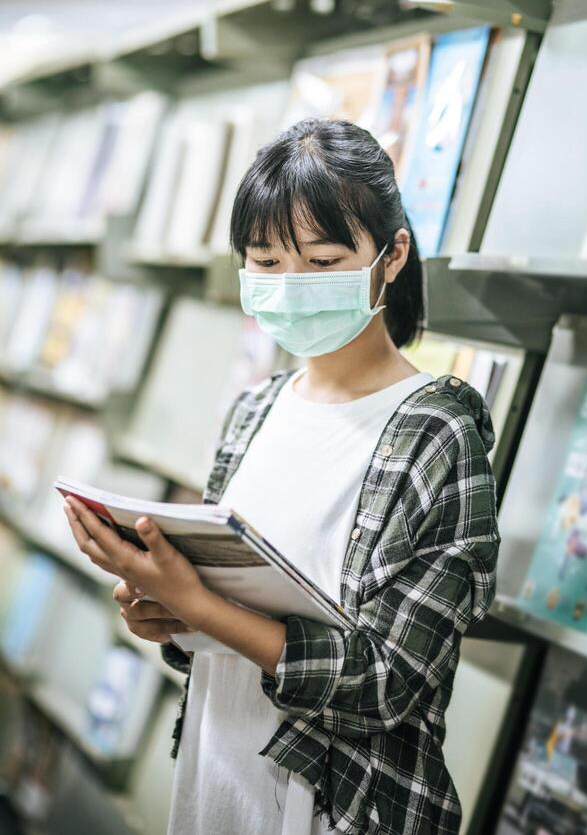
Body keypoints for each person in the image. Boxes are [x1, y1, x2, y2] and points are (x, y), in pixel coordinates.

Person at [63, 118, 500, 835]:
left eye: (324, 263)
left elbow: (388, 684)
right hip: (218, 778)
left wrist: (203, 611)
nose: (290, 287)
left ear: (391, 256)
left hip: (340, 806)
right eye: (264, 263)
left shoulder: (437, 430)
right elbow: (235, 609)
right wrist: (172, 613)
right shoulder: (255, 408)